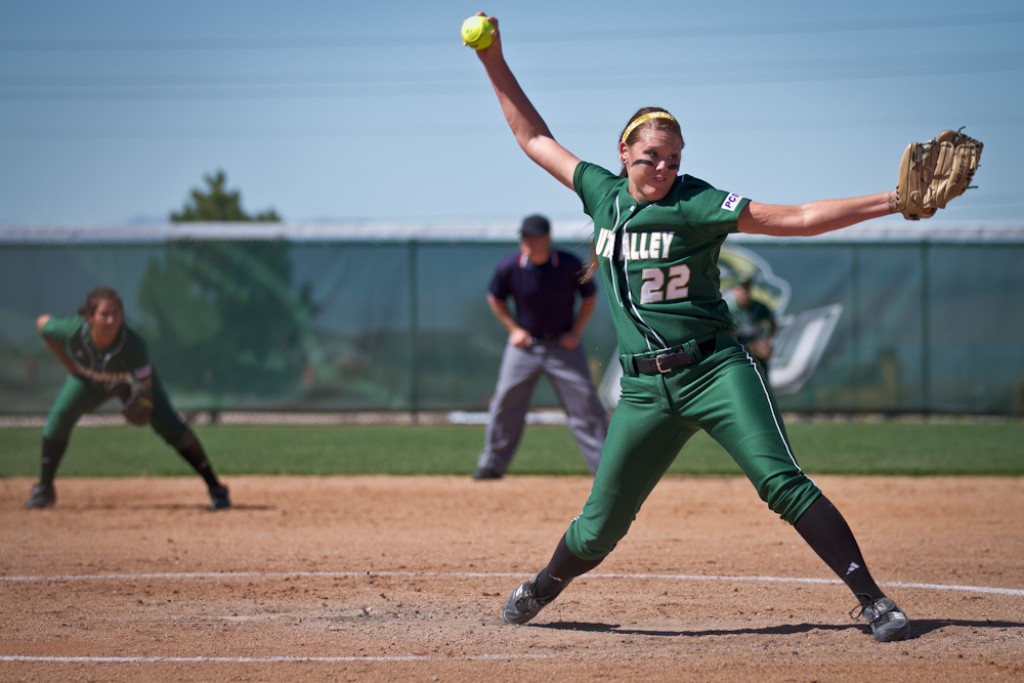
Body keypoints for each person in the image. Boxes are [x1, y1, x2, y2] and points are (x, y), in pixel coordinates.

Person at [468, 14, 915, 642]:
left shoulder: (697, 203)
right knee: (599, 527)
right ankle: (542, 586)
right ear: (624, 153)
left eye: (673, 159)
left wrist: (894, 201)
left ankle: (874, 602)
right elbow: (533, 135)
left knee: (780, 482)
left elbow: (801, 217)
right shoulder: (601, 193)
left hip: (715, 369)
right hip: (644, 392)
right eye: (651, 157)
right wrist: (492, 57)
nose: (664, 169)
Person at [25, 286, 231, 511]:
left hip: (129, 385)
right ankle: (44, 489)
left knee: (170, 425)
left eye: (116, 313)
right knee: (59, 417)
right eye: (105, 314)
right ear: (90, 317)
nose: (112, 320)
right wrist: (69, 365)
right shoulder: (73, 331)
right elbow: (43, 324)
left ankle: (215, 487)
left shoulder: (133, 345)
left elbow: (144, 387)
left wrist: (141, 405)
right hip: (89, 381)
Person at [473, 214, 608, 480]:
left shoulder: (568, 264)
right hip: (526, 346)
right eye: (523, 237)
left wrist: (575, 332)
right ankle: (492, 465)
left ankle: (605, 469)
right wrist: (514, 330)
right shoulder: (510, 267)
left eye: (532, 237)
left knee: (586, 404)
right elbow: (495, 299)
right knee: (504, 402)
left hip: (563, 345)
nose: (526, 242)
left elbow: (589, 298)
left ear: (547, 239)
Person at [727, 278, 778, 376]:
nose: (744, 291)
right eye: (740, 288)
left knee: (764, 379)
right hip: (740, 354)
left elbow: (773, 323)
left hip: (759, 352)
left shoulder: (759, 307)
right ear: (734, 290)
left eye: (746, 287)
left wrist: (766, 341)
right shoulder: (728, 310)